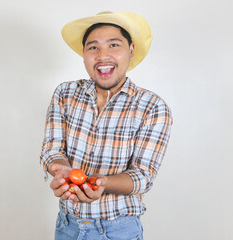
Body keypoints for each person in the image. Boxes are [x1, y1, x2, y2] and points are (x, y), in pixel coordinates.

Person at [40, 11, 173, 240]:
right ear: (83, 54)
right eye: (93, 47)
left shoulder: (152, 107)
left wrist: (103, 182)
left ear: (131, 51)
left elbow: (142, 177)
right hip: (67, 226)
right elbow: (52, 150)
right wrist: (60, 170)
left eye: (113, 45)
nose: (103, 55)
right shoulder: (65, 94)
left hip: (118, 230)